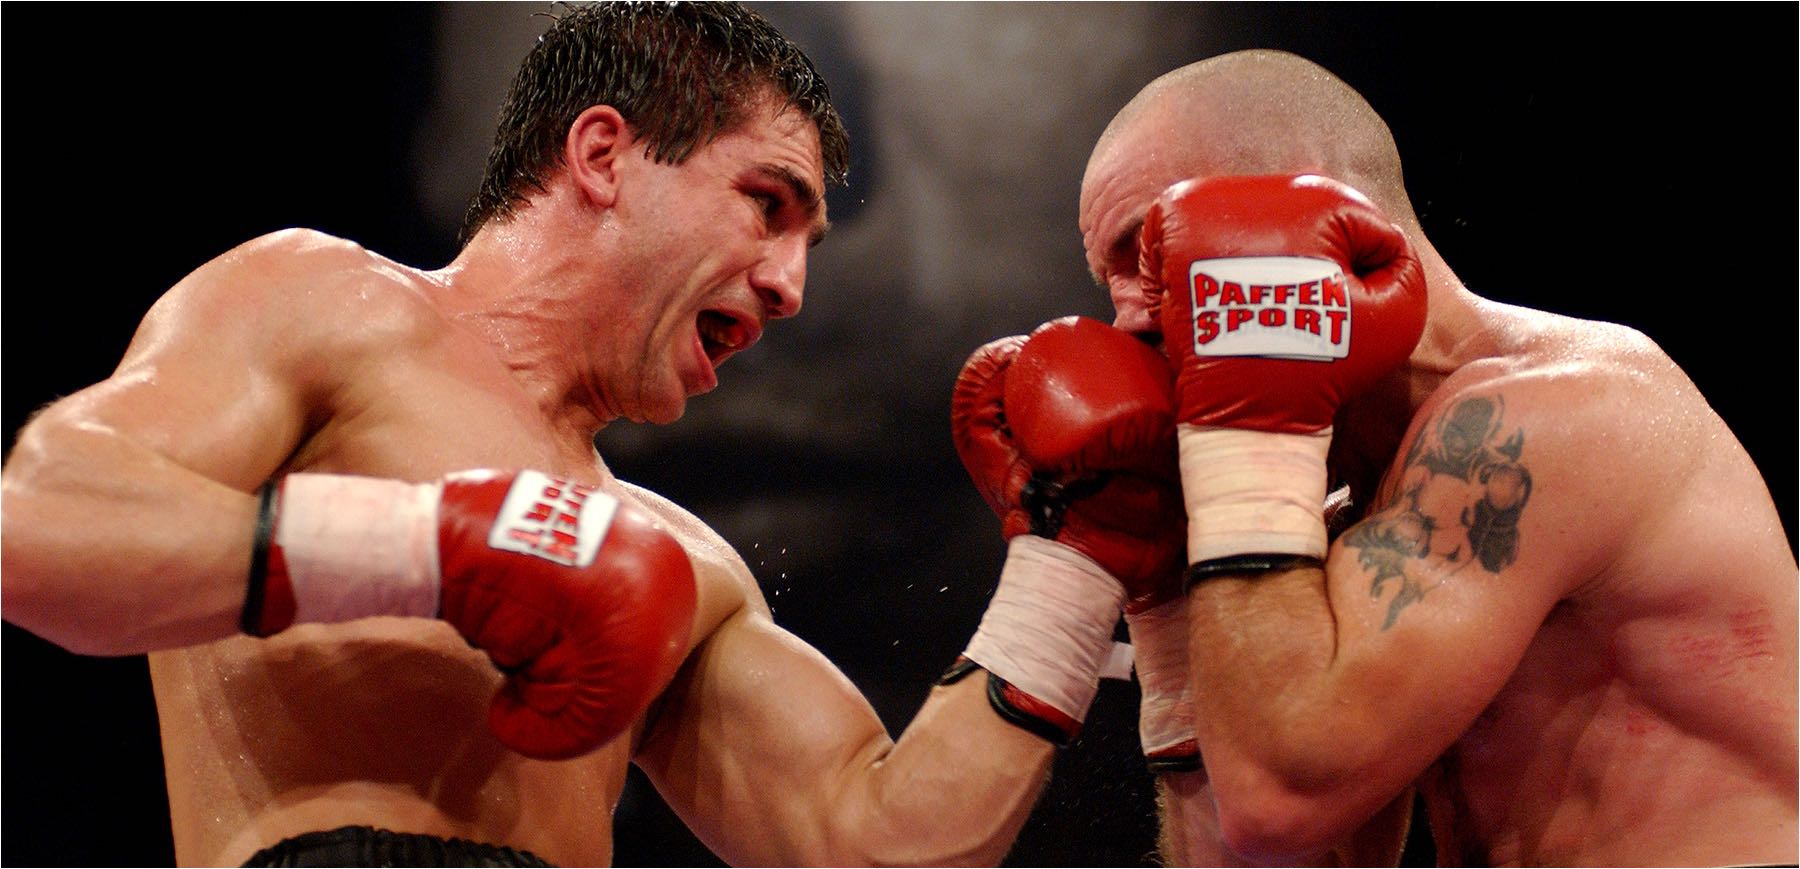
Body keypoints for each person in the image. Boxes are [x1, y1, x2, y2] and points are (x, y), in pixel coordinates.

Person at [1, 4, 1163, 865]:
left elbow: (872, 840)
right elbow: (41, 527)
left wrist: (1066, 573)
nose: (792, 285)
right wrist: (440, 546)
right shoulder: (322, 304)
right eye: (767, 203)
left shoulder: (679, 566)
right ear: (603, 155)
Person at [1078, 49, 1797, 866]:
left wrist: (1237, 449)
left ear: (1310, 210)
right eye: (1110, 282)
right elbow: (1269, 854)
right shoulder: (1348, 507)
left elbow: (1279, 801)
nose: (1126, 322)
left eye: (1148, 249)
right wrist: (1167, 601)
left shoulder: (1559, 412)